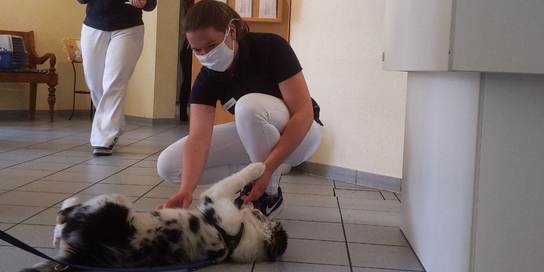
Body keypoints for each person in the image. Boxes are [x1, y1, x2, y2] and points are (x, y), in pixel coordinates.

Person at [156, 0, 323, 217]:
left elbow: (304, 113)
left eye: (212, 45)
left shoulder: (271, 46)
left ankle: (269, 193)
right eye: (197, 50)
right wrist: (186, 190)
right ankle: (256, 180)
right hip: (257, 139)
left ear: (231, 31)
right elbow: (198, 139)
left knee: (247, 106)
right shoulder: (207, 78)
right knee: (168, 165)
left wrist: (268, 169)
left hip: (303, 135)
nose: (205, 55)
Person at [77, 0, 157, 156]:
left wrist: (144, 3)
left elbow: (151, 4)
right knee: (94, 84)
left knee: (114, 81)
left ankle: (103, 139)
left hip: (128, 29)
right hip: (93, 26)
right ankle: (115, 124)